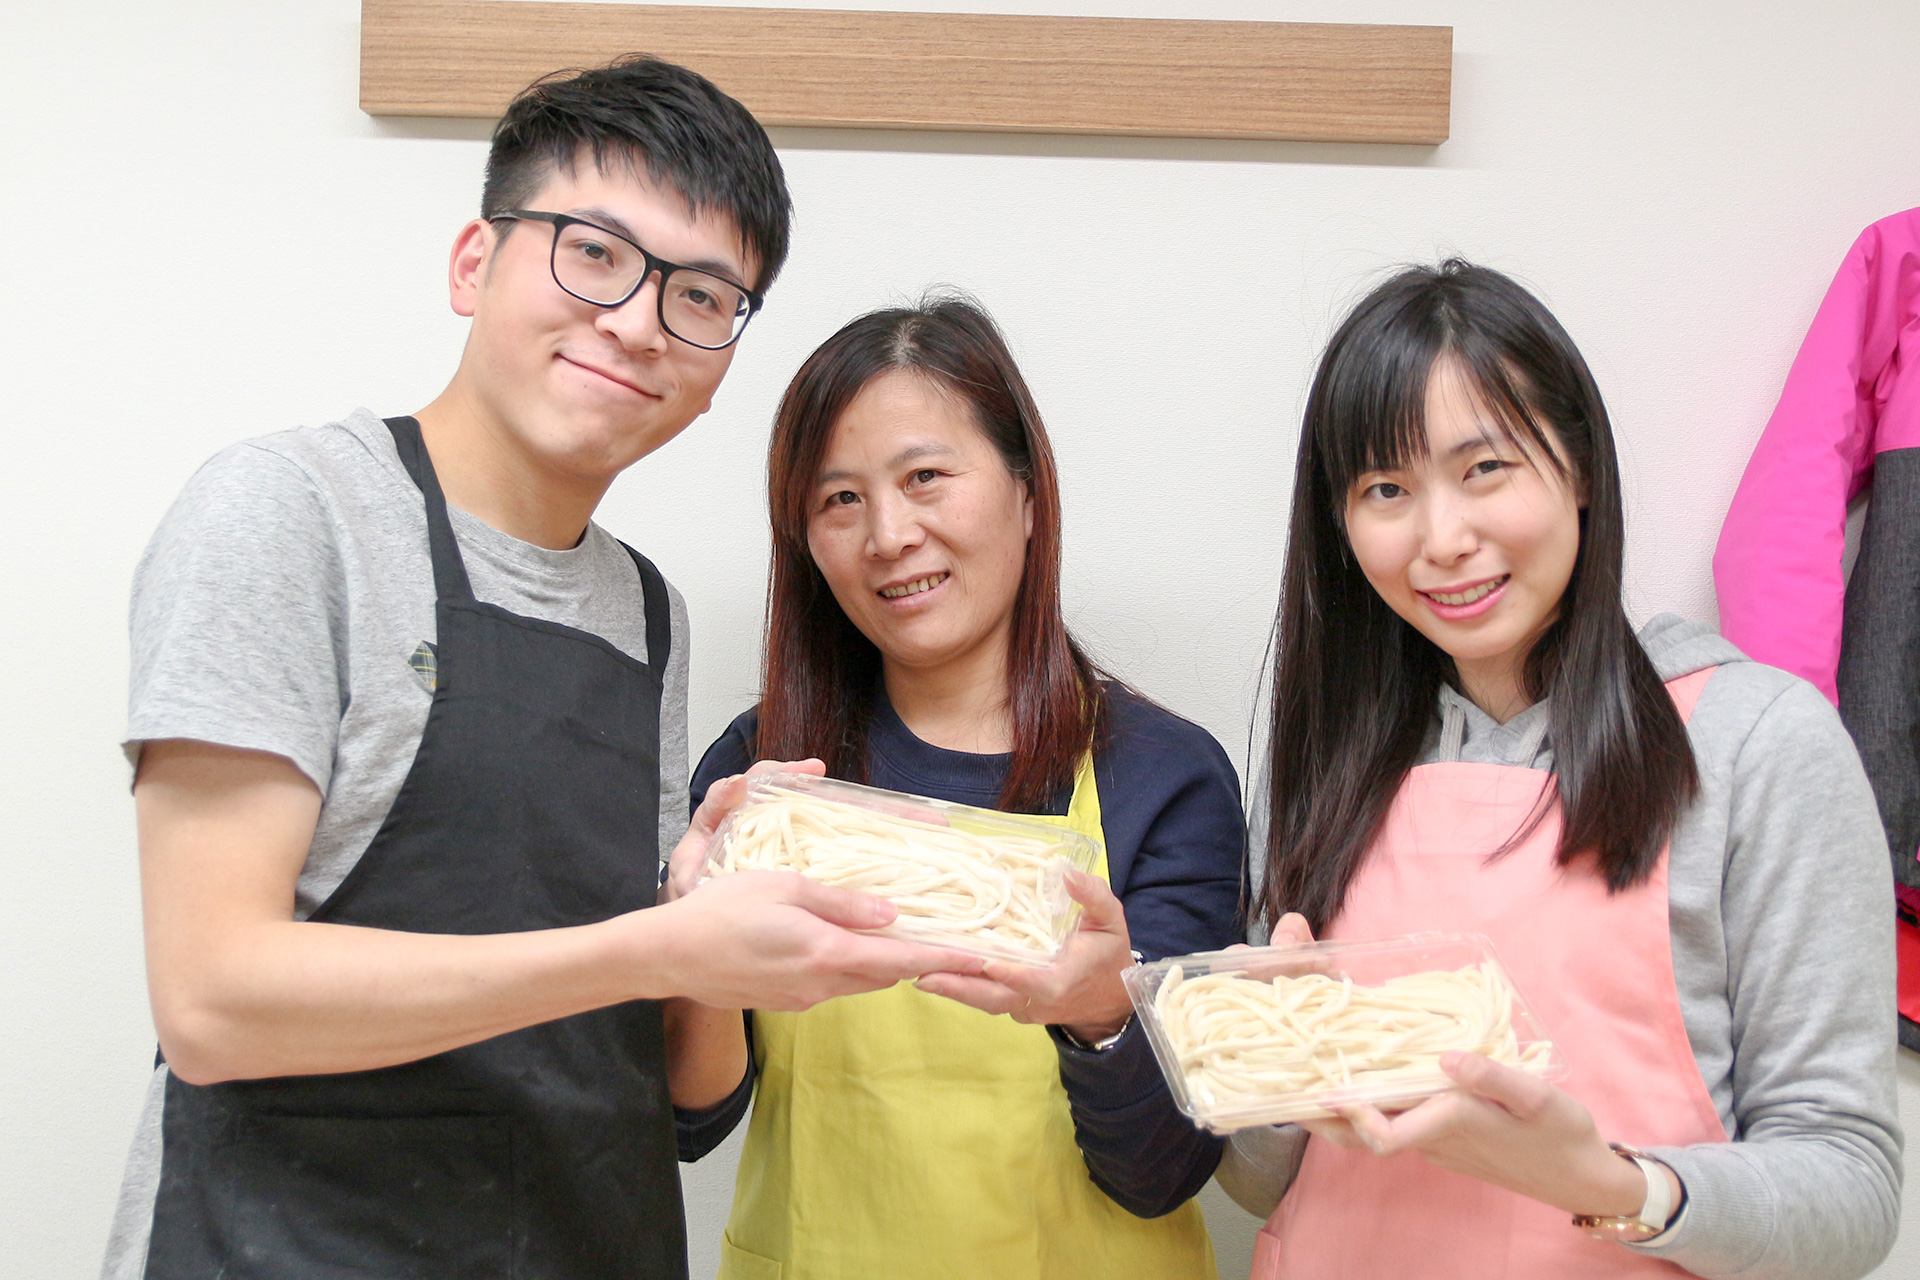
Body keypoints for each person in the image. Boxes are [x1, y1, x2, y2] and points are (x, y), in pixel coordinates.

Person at [104, 57, 980, 1280]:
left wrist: (701, 907)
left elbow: (680, 1100)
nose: (637, 321)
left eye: (700, 295)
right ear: (475, 262)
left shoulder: (647, 614)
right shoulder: (290, 512)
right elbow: (214, 1001)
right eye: (594, 252)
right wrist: (653, 948)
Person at [1215, 260, 1903, 1279]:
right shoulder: (1324, 758)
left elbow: (1853, 1190)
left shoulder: (1755, 742)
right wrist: (1274, 1077)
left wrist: (1613, 1183)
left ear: (1578, 468)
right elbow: (1258, 1181)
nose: (1443, 539)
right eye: (1386, 489)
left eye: (1485, 467)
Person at [675, 295, 1244, 1279]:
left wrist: (1104, 1015)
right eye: (839, 499)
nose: (888, 533)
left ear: (1027, 493)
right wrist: (687, 943)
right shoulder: (764, 772)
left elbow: (1164, 1173)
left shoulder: (1163, 776)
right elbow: (693, 1121)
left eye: (925, 477)